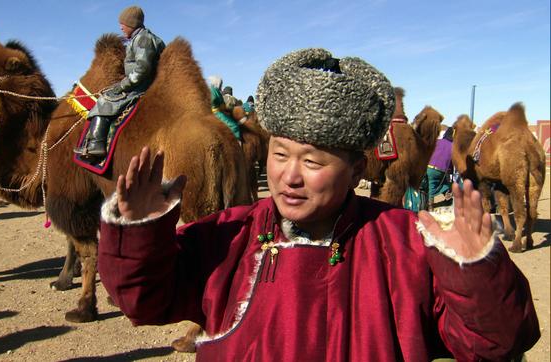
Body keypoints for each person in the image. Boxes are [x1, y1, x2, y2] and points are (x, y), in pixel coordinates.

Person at [97, 49, 539, 361]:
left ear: (354, 168)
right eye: (280, 154)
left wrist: (475, 269)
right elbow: (144, 301)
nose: (289, 176)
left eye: (311, 160)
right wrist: (137, 233)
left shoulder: (406, 245)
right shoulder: (226, 236)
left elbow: (497, 343)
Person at [74, 5, 165, 160]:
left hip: (141, 87)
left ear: (132, 23)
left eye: (123, 24)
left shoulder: (143, 39)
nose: (121, 27)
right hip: (138, 84)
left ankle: (96, 145)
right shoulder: (140, 38)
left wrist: (122, 86)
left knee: (105, 100)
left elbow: (142, 70)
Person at [208, 75, 241, 141]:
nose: (221, 85)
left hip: (216, 111)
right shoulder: (215, 90)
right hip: (217, 113)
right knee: (235, 126)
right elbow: (215, 101)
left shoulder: (211, 89)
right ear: (218, 83)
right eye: (221, 84)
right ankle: (237, 144)